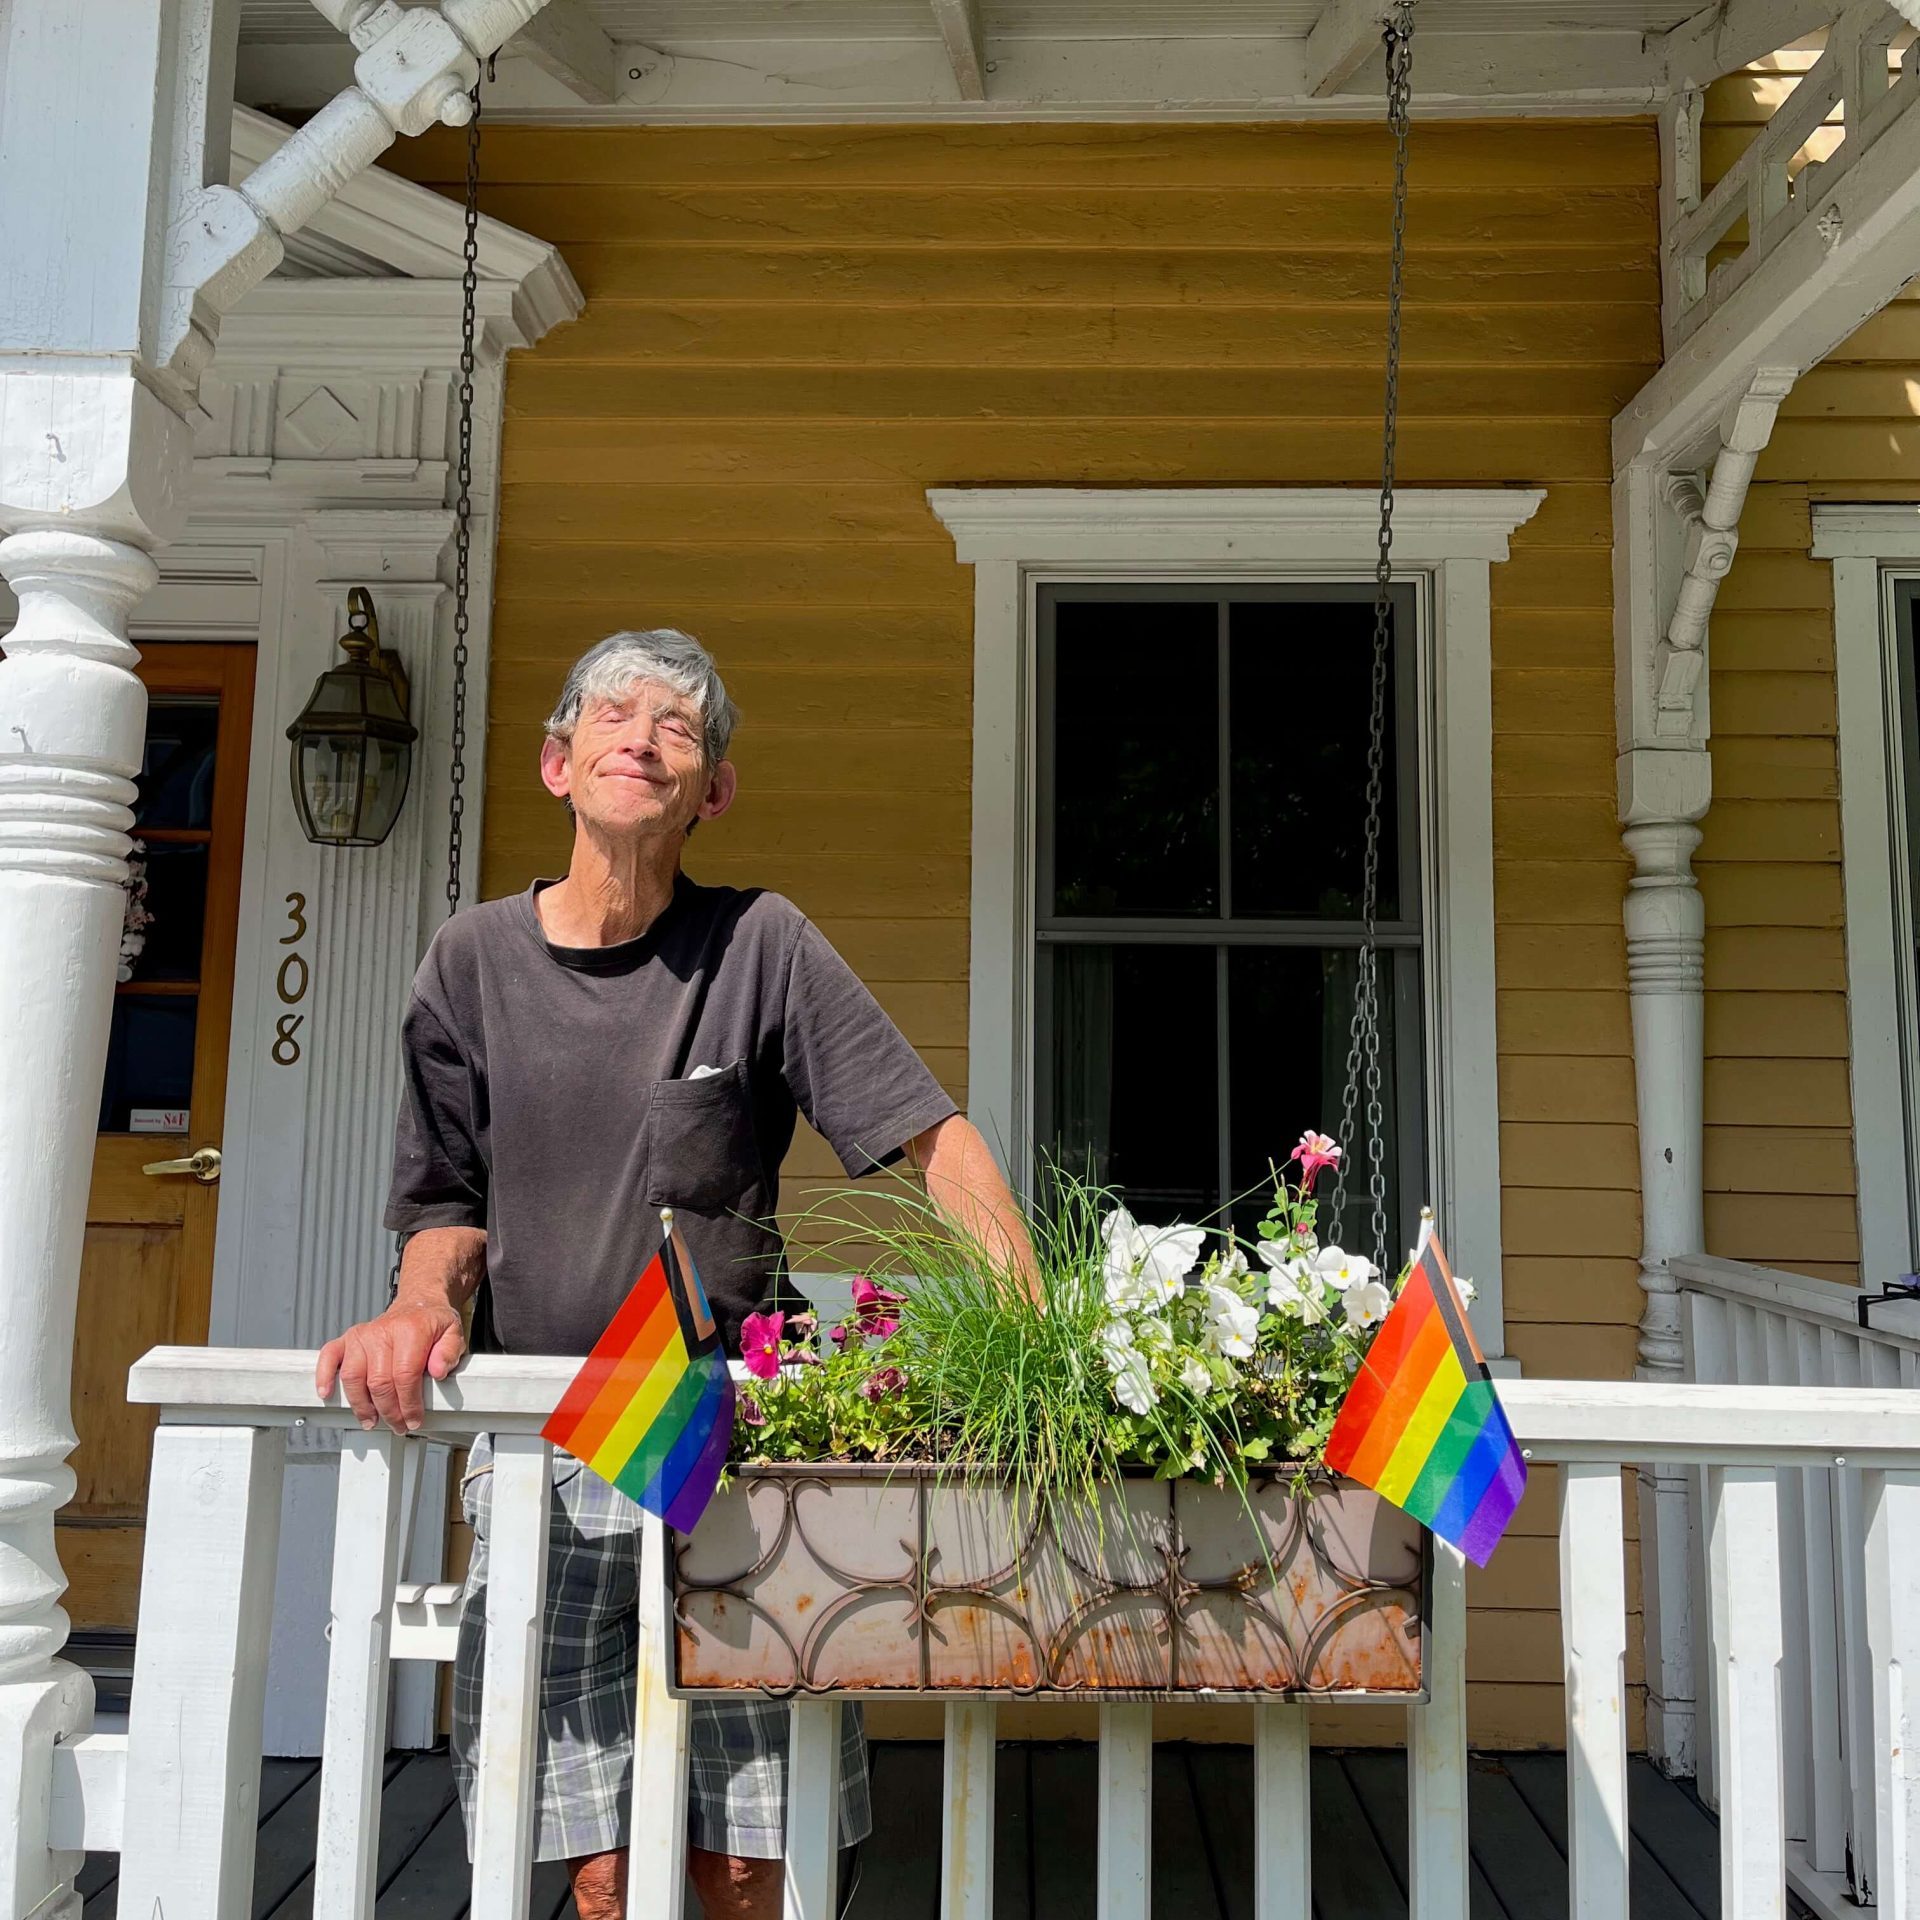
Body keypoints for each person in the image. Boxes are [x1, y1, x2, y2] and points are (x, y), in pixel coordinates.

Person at [315, 629, 1034, 1920]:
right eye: (612, 714)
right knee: (595, 1869)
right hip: (548, 1452)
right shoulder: (468, 965)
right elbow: (444, 1209)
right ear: (557, 761)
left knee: (751, 1861)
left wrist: (1036, 1334)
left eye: (680, 727)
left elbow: (939, 1142)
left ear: (714, 791)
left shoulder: (761, 944)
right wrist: (421, 1304)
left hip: (732, 1456)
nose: (641, 737)